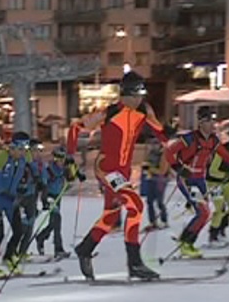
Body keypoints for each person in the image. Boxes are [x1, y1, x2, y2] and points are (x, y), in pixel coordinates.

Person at [69, 70, 168, 280]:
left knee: (111, 216)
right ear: (126, 94)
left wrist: (176, 152)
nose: (140, 99)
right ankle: (135, 263)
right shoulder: (109, 112)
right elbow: (77, 127)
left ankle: (85, 249)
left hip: (122, 171)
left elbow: (161, 132)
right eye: (137, 95)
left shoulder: (143, 110)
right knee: (136, 207)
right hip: (107, 168)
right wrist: (69, 156)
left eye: (142, 95)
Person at [165, 106, 226, 258]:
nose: (213, 125)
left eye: (214, 121)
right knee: (203, 212)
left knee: (206, 213)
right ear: (201, 122)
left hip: (200, 179)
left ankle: (186, 240)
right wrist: (178, 167)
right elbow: (169, 151)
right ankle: (186, 244)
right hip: (188, 178)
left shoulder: (213, 140)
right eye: (210, 121)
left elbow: (226, 155)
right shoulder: (190, 138)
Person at [0, 133, 33, 278]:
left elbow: (30, 172)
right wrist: (4, 191)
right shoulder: (3, 156)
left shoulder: (25, 158)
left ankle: (8, 256)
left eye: (25, 149)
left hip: (11, 200)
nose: (22, 152)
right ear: (12, 147)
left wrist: (28, 184)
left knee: (18, 231)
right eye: (20, 149)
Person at [35, 145, 84, 259]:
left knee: (53, 222)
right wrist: (45, 200)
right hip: (50, 196)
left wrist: (78, 174)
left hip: (58, 196)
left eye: (62, 158)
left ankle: (41, 237)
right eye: (58, 158)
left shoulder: (64, 167)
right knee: (57, 221)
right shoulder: (49, 169)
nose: (60, 161)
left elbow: (73, 172)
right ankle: (58, 248)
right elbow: (43, 185)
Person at [140, 140, 169, 230]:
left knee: (159, 202)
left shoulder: (164, 155)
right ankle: (152, 222)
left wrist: (150, 169)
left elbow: (162, 170)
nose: (153, 146)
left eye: (155, 144)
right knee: (149, 201)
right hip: (150, 180)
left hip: (160, 181)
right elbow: (145, 165)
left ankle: (164, 220)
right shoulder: (150, 153)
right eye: (152, 144)